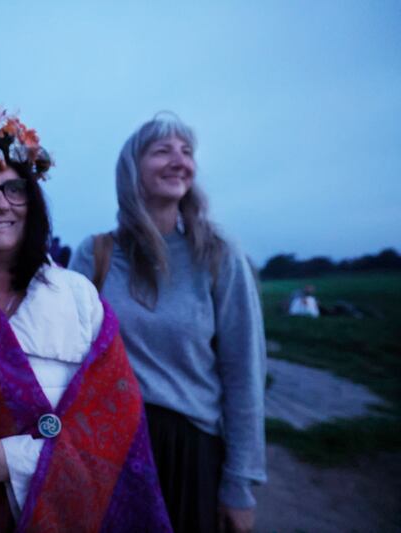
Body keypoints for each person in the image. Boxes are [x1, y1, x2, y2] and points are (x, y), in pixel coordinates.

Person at [0, 105, 171, 532]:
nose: (0, 204)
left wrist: (7, 461)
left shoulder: (77, 297)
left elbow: (116, 437)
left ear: (32, 202)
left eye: (14, 189)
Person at [69, 113, 267, 533]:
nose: (180, 161)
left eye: (187, 152)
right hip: (110, 448)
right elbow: (67, 359)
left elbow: (244, 372)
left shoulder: (217, 254)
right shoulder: (96, 254)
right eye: (163, 151)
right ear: (131, 170)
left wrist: (239, 485)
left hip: (189, 451)